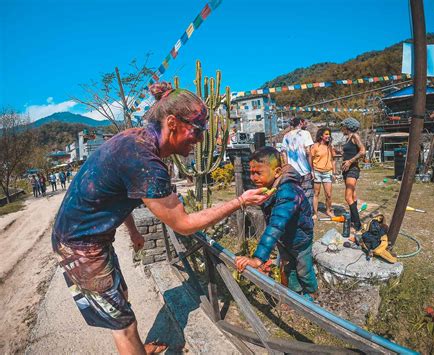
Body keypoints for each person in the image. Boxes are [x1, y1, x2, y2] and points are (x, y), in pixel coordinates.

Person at [51, 82, 271, 355]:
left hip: (92, 236)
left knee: (120, 301)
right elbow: (183, 224)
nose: (201, 139)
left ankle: (137, 348)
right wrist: (239, 201)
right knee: (123, 324)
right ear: (172, 122)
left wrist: (131, 231)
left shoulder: (135, 138)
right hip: (79, 245)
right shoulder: (146, 161)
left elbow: (118, 195)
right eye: (198, 130)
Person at [235, 147, 318, 301]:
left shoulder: (288, 191)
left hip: (300, 239)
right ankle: (296, 296)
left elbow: (276, 224)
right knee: (288, 267)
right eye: (251, 172)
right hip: (284, 238)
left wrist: (258, 258)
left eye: (258, 173)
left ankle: (311, 294)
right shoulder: (271, 187)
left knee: (304, 269)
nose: (253, 178)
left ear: (278, 172)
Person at [281, 117, 314, 213]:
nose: (306, 123)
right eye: (305, 122)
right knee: (307, 195)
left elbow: (283, 154)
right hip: (305, 170)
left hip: (292, 171)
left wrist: (286, 168)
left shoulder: (286, 136)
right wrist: (312, 169)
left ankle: (296, 214)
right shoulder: (306, 134)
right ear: (300, 122)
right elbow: (308, 152)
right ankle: (307, 215)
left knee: (294, 194)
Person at [340, 117, 366, 232]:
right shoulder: (348, 138)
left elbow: (362, 151)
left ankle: (358, 224)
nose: (342, 128)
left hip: (352, 169)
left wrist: (350, 161)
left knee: (348, 197)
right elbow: (350, 152)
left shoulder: (355, 136)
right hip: (346, 170)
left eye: (343, 126)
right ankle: (354, 221)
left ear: (347, 127)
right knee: (353, 196)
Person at [310, 127, 337, 218]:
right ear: (321, 136)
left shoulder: (330, 147)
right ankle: (315, 213)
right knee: (316, 193)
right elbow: (310, 158)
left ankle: (329, 210)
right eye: (326, 134)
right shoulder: (315, 146)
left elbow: (333, 160)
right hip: (317, 172)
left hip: (327, 173)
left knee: (328, 194)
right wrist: (312, 171)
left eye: (329, 134)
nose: (328, 136)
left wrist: (334, 172)